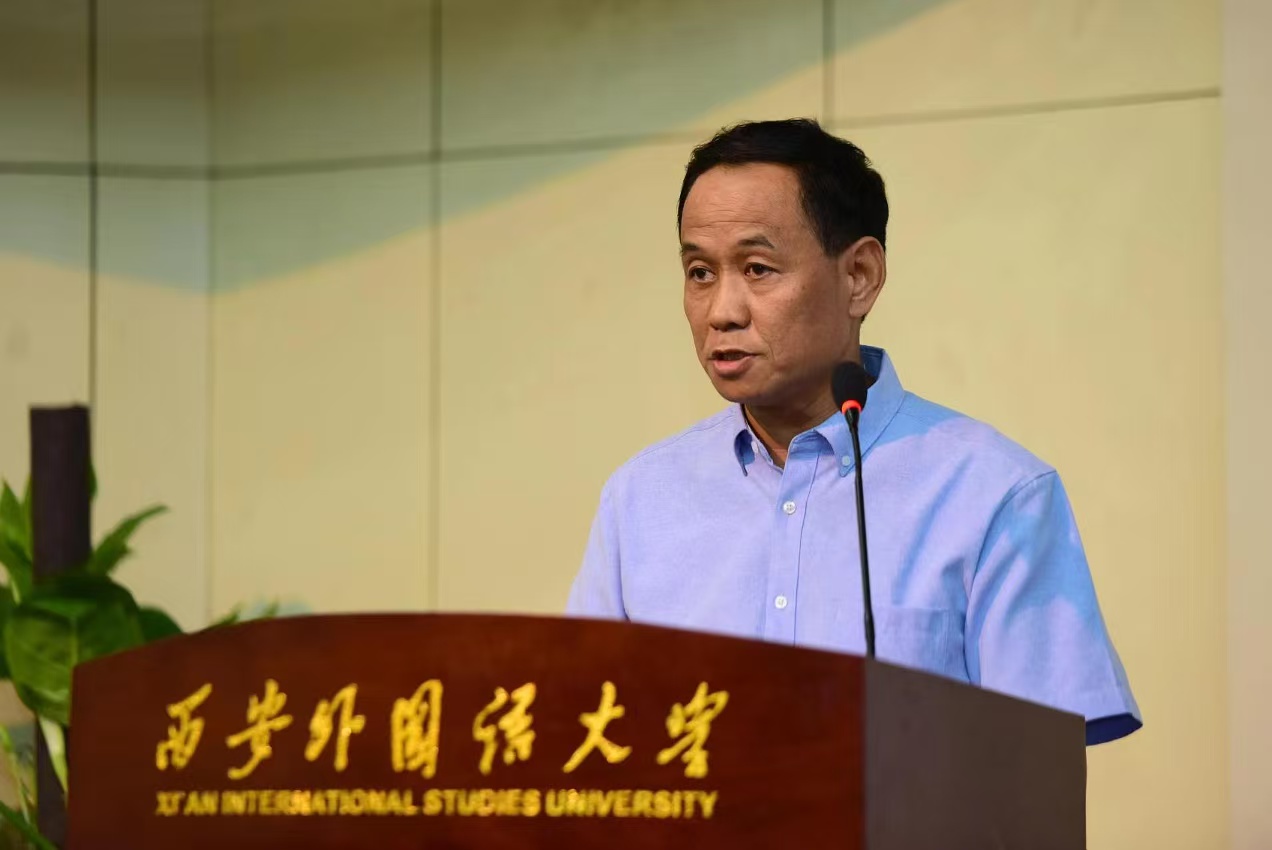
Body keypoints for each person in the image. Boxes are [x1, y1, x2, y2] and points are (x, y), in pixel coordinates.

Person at [566, 118, 1140, 745]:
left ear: (859, 276)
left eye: (757, 268)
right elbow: (581, 740)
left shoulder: (994, 494)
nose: (722, 312)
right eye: (700, 272)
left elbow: (1040, 772)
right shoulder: (639, 501)